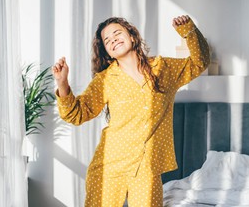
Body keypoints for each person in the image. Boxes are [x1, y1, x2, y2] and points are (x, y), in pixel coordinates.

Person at [52, 15, 210, 207]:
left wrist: (188, 31)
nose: (113, 40)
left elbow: (200, 62)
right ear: (108, 52)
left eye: (117, 33)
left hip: (147, 168)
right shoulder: (105, 80)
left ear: (132, 37)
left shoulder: (163, 69)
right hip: (109, 166)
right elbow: (76, 114)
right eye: (107, 40)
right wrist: (62, 83)